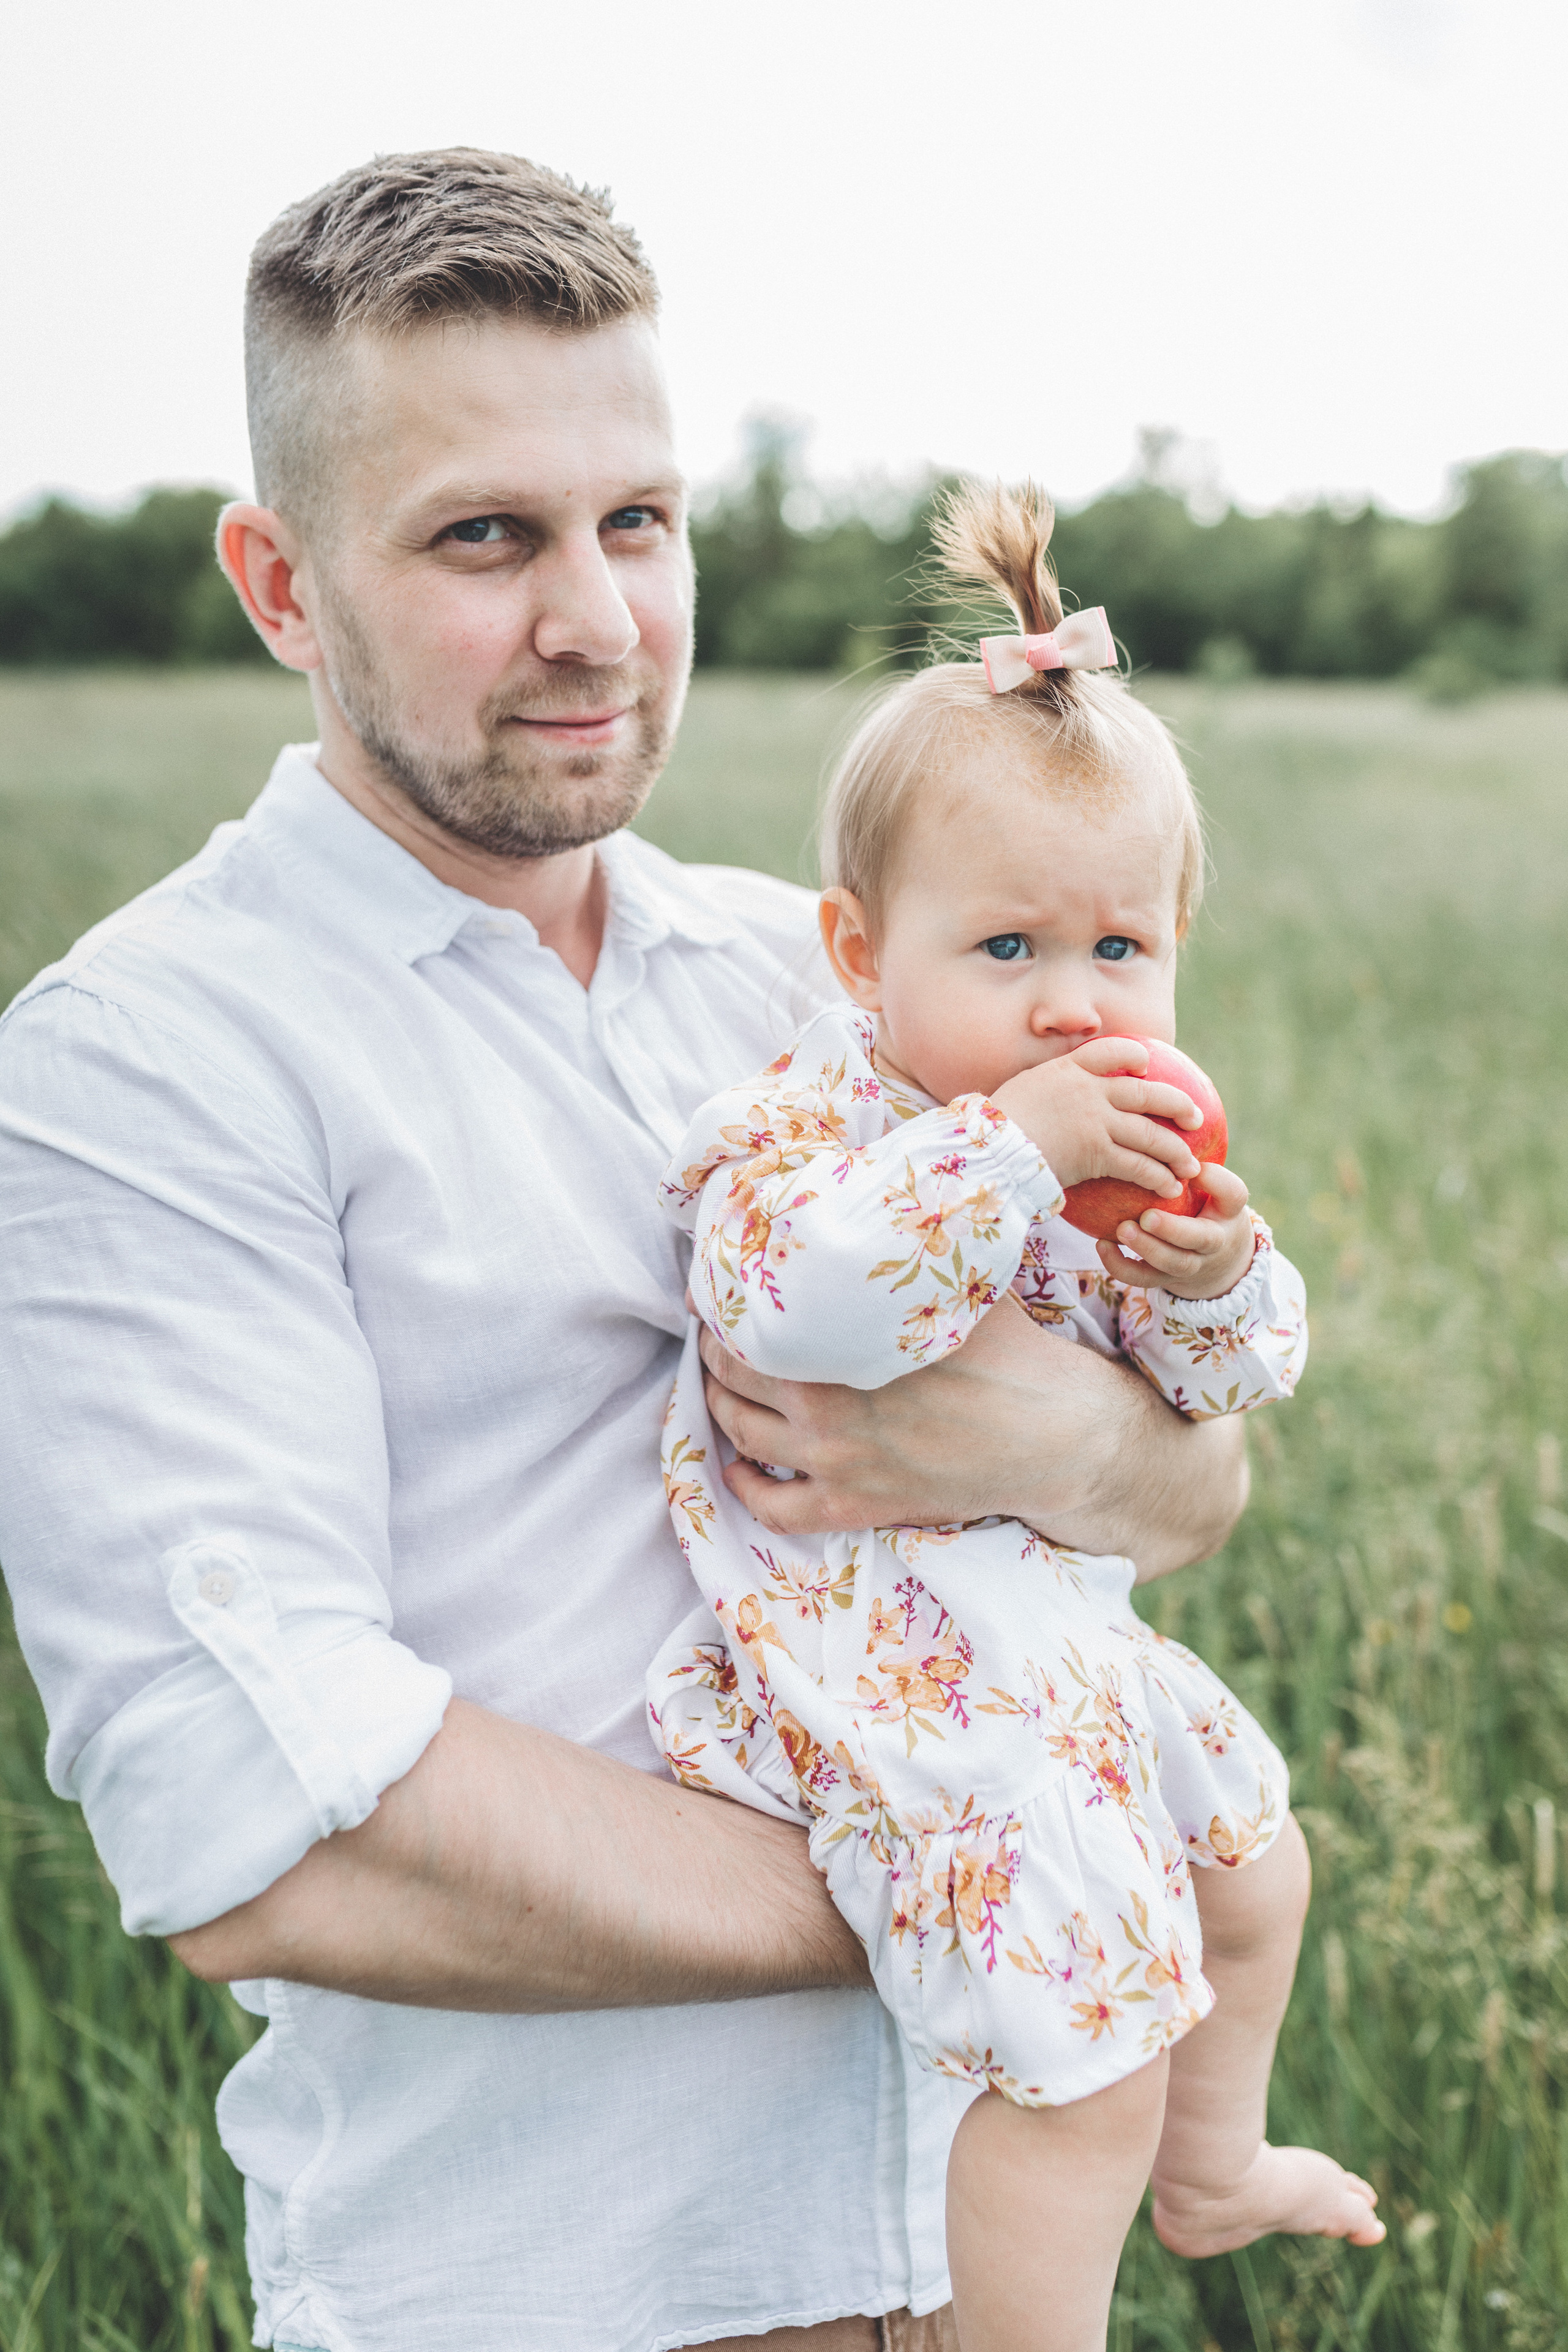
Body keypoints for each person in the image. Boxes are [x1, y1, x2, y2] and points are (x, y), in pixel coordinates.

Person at [0, 152, 1254, 2352]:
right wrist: (987, 1866)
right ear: (281, 585)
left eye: (637, 522)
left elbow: (1196, 1478)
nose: (594, 616)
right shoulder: (145, 1065)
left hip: (974, 2264)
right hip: (566, 2297)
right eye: (487, 535)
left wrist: (1047, 1428)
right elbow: (276, 1823)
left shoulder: (833, 977)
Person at [645, 481, 1383, 2350]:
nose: (1074, 1013)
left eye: (1120, 953)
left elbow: (1221, 1392)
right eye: (1007, 954)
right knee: (1082, 2061)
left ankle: (1213, 2176)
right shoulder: (814, 1135)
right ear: (857, 948)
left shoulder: (1108, 1153)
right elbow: (809, 1305)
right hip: (882, 1664)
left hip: (1044, 1643)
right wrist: (1013, 1154)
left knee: (1256, 1870)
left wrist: (1215, 1284)